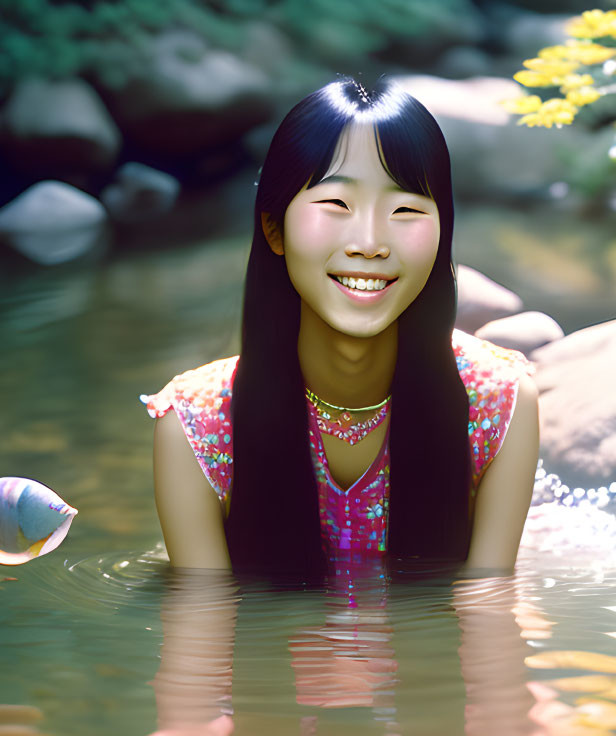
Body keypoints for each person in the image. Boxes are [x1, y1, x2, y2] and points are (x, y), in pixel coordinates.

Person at [143, 77, 538, 577]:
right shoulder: (197, 425)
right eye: (336, 204)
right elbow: (202, 627)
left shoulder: (497, 400)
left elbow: (488, 609)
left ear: (443, 233)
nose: (369, 242)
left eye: (406, 210)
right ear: (274, 227)